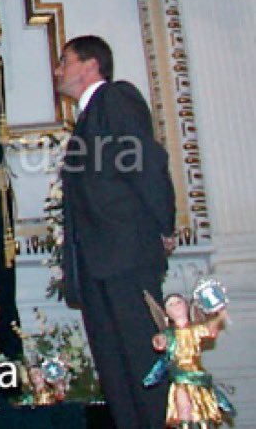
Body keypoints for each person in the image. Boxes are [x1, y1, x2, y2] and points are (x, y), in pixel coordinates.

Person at [55, 34, 176, 429]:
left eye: (65, 61)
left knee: (144, 363)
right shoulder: (85, 122)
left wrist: (163, 225)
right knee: (116, 372)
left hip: (126, 256)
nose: (58, 70)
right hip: (97, 267)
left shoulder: (115, 99)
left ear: (90, 65)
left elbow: (146, 161)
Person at [144, 293, 234, 427]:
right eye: (171, 304)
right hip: (180, 374)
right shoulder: (170, 333)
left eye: (179, 302)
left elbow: (210, 329)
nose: (176, 306)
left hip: (197, 375)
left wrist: (220, 313)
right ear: (166, 313)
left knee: (202, 409)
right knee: (183, 405)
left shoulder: (195, 329)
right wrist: (160, 341)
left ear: (186, 306)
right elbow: (159, 342)